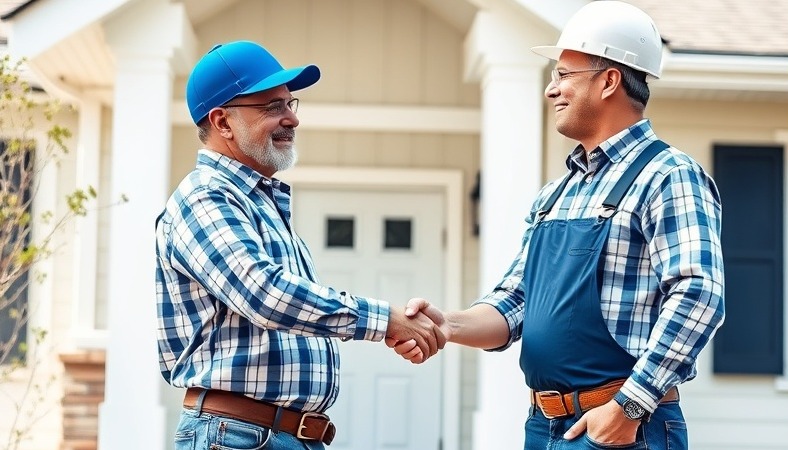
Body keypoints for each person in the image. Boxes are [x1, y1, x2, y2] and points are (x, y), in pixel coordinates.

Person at [389, 2, 725, 449]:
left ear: (609, 81)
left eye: (564, 74)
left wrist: (630, 407)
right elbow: (516, 301)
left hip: (624, 429)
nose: (551, 89)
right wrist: (446, 324)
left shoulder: (668, 175)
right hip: (545, 425)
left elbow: (699, 294)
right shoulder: (555, 195)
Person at [155, 40, 445, 450]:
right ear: (223, 122)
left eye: (290, 103)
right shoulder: (205, 197)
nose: (292, 118)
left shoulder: (257, 202)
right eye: (272, 106)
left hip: (272, 435)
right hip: (239, 436)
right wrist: (386, 321)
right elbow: (264, 294)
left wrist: (399, 326)